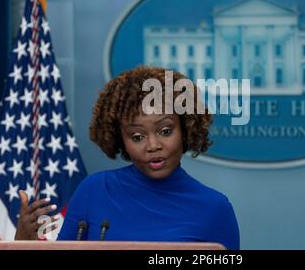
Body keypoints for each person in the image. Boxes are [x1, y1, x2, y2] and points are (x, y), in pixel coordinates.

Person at [15, 66, 240, 250]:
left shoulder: (214, 208)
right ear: (120, 139)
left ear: (185, 128)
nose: (153, 146)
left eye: (165, 131)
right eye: (137, 136)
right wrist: (23, 243)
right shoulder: (93, 190)